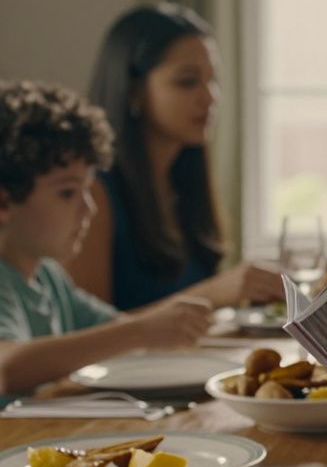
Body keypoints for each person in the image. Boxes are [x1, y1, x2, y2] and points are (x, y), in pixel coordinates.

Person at [63, 4, 283, 311]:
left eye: (212, 79)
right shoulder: (94, 193)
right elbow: (86, 338)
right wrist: (211, 294)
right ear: (134, 92)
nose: (209, 98)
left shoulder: (183, 181)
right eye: (187, 81)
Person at [0, 79, 212, 396]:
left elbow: (112, 329)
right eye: (68, 193)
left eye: (87, 189)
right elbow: (7, 369)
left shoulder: (47, 277)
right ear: (4, 203)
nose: (90, 208)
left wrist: (167, 327)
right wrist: (140, 332)